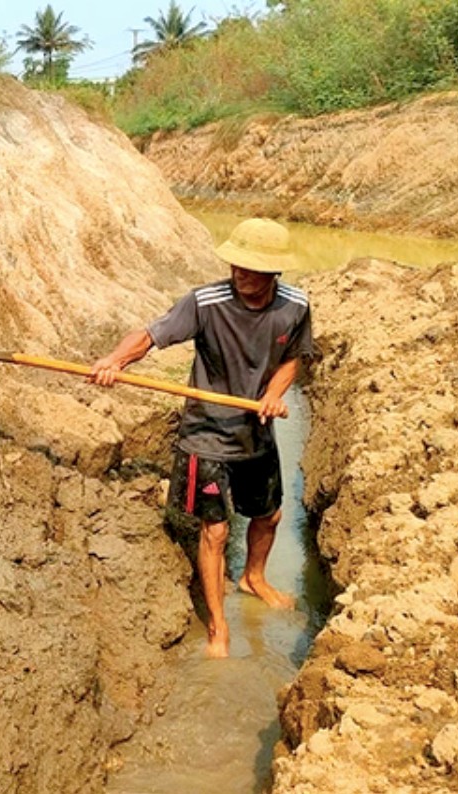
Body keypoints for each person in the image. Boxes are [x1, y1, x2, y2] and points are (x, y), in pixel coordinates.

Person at [90, 218, 312, 659]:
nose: (239, 274)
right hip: (206, 433)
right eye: (235, 265)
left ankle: (253, 577)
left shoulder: (295, 306)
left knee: (268, 516)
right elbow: (150, 335)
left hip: (256, 430)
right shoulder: (205, 303)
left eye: (250, 268)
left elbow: (295, 358)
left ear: (274, 272)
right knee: (215, 530)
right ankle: (218, 626)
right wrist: (115, 361)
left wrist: (272, 393)